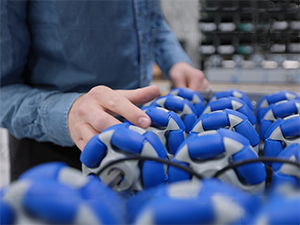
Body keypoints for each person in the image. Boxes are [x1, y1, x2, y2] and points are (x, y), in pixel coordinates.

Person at [0, 0, 208, 181]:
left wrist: (175, 61)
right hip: (54, 153)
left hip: (141, 140)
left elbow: (151, 18)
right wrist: (69, 113)